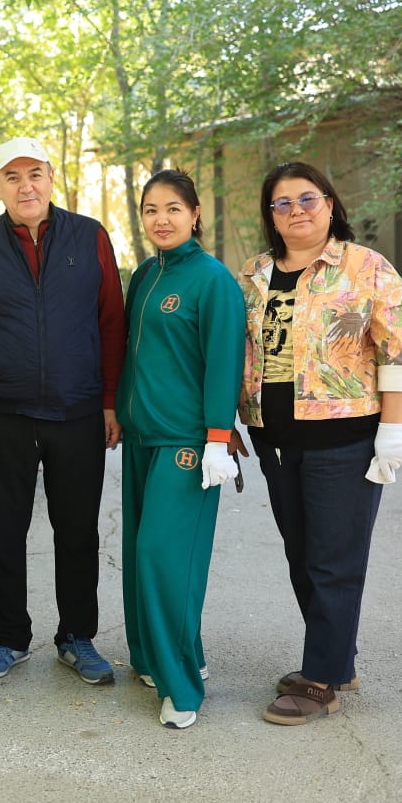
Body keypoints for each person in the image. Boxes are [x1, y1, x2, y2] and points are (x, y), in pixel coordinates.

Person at [233, 161, 402, 726]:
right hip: (274, 439)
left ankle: (321, 680)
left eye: (306, 199)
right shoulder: (254, 273)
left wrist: (392, 431)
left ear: (331, 204)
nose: (296, 211)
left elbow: (401, 353)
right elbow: (236, 353)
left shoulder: (367, 268)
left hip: (345, 440)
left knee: (334, 562)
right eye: (282, 203)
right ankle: (337, 658)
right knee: (302, 556)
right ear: (271, 215)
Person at [0, 136, 127, 684]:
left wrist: (111, 402)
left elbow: (112, 324)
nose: (26, 186)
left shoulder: (90, 237)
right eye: (12, 177)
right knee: (8, 529)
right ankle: (8, 637)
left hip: (78, 414)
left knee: (78, 530)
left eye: (35, 174)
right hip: (5, 413)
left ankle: (77, 636)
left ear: (51, 178)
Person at [118, 170, 244, 729]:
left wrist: (219, 436)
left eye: (172, 208)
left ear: (195, 214)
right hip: (141, 440)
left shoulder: (213, 281)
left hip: (188, 444)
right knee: (138, 558)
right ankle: (156, 657)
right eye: (150, 210)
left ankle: (183, 689)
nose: (161, 219)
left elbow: (224, 363)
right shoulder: (146, 274)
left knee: (165, 560)